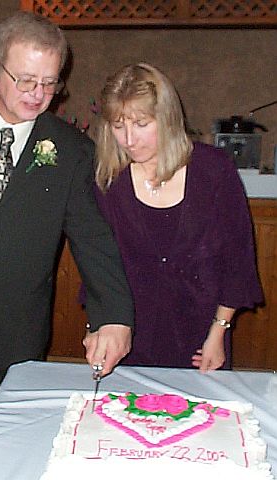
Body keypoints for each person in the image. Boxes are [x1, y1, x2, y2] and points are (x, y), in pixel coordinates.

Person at [0, 12, 134, 478]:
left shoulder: (70, 149)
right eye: (25, 79)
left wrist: (113, 314)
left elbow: (93, 238)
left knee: (7, 460)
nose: (37, 95)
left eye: (49, 84)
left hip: (15, 341)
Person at [92, 62, 263, 372]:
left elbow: (237, 260)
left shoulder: (213, 170)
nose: (129, 139)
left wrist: (219, 332)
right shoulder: (109, 181)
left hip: (203, 339)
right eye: (119, 125)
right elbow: (101, 267)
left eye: (141, 123)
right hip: (130, 339)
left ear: (167, 118)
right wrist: (99, 327)